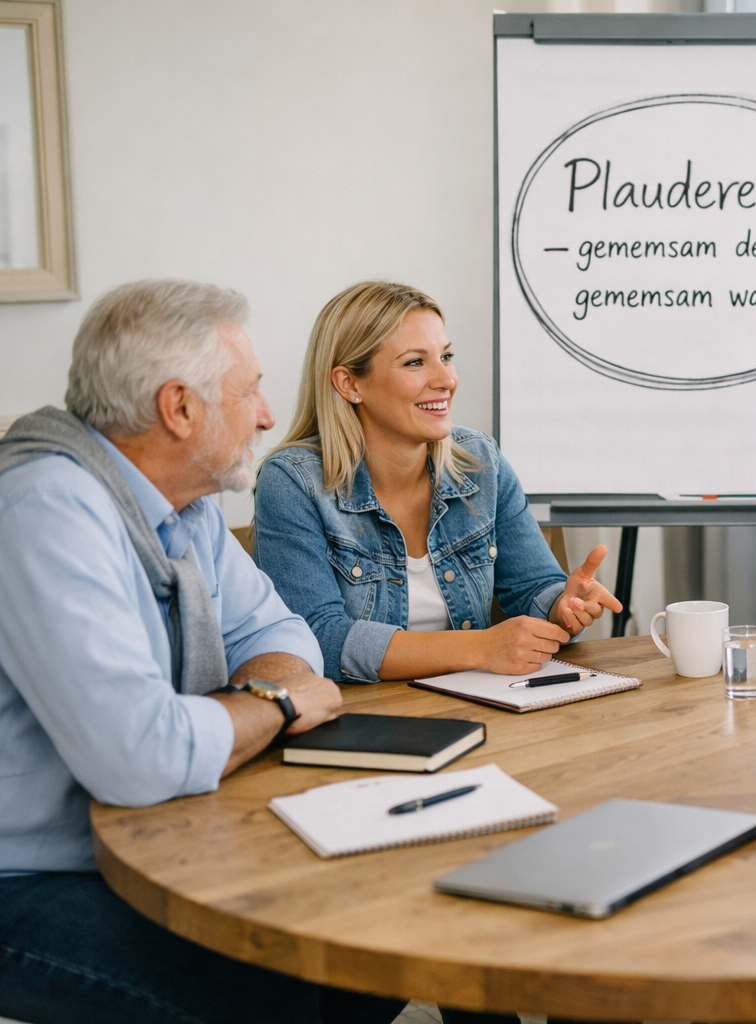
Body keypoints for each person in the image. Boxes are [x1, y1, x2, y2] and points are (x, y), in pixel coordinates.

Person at [0, 280, 403, 1023]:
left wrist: (266, 690)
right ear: (179, 408)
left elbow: (282, 636)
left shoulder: (184, 505)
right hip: (26, 877)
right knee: (265, 992)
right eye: (248, 392)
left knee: (373, 941)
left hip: (153, 838)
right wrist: (275, 703)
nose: (268, 416)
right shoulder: (46, 508)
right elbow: (142, 758)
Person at [253, 281, 622, 683]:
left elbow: (533, 589)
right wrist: (480, 648)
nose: (446, 379)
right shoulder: (292, 483)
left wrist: (563, 606)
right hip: (361, 721)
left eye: (446, 356)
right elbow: (317, 641)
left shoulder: (482, 462)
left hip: (479, 704)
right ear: (349, 384)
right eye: (415, 362)